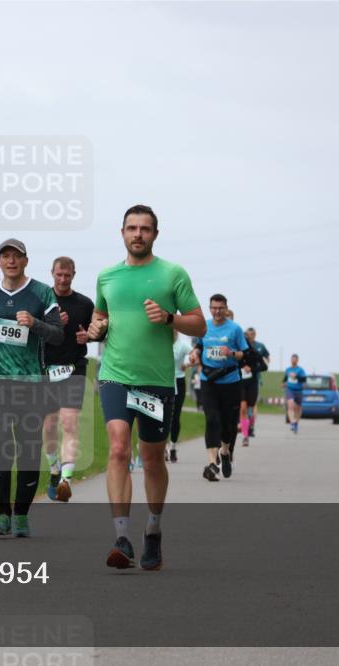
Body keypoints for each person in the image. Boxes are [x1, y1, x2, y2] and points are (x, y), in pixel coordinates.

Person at [88, 204, 205, 570]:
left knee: (153, 459)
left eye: (145, 229)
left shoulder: (173, 274)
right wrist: (96, 329)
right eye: (131, 228)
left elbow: (199, 325)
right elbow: (101, 317)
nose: (138, 234)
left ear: (155, 234)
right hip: (115, 375)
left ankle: (152, 529)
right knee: (119, 448)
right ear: (121, 233)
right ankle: (121, 538)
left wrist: (171, 318)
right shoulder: (107, 276)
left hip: (156, 381)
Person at [0, 239, 63, 538]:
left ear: (26, 261)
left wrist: (35, 323)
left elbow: (57, 336)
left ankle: (21, 515)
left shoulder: (41, 293)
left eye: (17, 256)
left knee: (27, 448)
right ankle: (1, 515)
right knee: (0, 445)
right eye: (5, 256)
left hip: (32, 383)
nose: (11, 261)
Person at [42, 256, 94, 503]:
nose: (63, 280)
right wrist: (52, 325)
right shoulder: (41, 299)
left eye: (68, 275)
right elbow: (30, 334)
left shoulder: (84, 303)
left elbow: (97, 330)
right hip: (46, 370)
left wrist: (90, 337)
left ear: (74, 274)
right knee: (49, 426)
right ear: (52, 273)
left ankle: (66, 480)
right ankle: (54, 470)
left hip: (74, 369)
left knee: (70, 424)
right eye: (59, 275)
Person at [190, 294, 248, 482]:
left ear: (226, 308)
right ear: (209, 308)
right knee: (212, 419)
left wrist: (231, 353)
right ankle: (212, 463)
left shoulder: (235, 329)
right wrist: (195, 354)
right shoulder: (204, 327)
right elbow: (198, 346)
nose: (217, 311)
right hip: (209, 380)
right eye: (214, 308)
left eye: (220, 308)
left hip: (230, 382)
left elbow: (245, 355)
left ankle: (225, 451)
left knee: (228, 425)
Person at [239, 327, 270, 445]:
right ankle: (245, 436)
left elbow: (264, 367)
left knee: (250, 408)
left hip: (252, 383)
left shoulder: (255, 353)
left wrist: (251, 368)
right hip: (241, 383)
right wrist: (241, 368)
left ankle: (251, 423)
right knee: (243, 408)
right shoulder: (237, 354)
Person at [168, 330, 193, 462]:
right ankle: (162, 447)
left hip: (178, 380)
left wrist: (188, 363)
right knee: (161, 416)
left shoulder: (182, 345)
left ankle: (173, 447)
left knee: (175, 416)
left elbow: (194, 354)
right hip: (163, 379)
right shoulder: (161, 342)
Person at [283, 354, 308, 434]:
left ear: (297, 360)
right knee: (290, 405)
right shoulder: (288, 369)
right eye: (292, 359)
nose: (293, 360)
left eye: (295, 359)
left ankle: (296, 422)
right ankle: (292, 423)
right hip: (290, 390)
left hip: (299, 390)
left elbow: (304, 379)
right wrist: (283, 383)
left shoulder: (300, 370)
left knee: (298, 409)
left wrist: (296, 377)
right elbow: (285, 378)